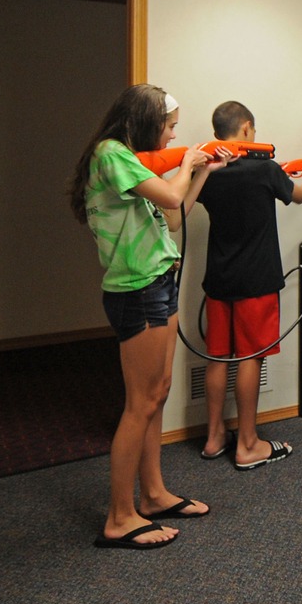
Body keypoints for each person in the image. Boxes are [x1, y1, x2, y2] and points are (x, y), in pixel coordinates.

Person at [67, 83, 229, 549]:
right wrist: (187, 163)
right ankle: (120, 516)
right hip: (137, 291)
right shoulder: (111, 153)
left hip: (158, 285)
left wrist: (202, 172)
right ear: (146, 120)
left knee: (157, 394)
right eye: (169, 127)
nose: (172, 135)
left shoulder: (131, 162)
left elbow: (175, 216)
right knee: (140, 403)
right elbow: (172, 199)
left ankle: (153, 495)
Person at [196, 101, 302, 470]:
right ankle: (247, 444)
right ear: (246, 128)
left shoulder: (207, 171)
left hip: (219, 278)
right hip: (256, 279)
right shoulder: (264, 168)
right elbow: (298, 195)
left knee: (217, 357)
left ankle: (214, 437)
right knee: (250, 356)